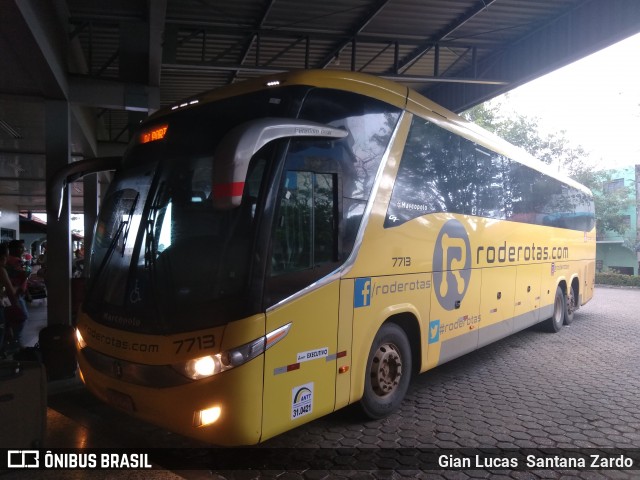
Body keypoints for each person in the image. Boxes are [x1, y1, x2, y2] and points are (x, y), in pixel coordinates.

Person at [5, 240, 29, 346]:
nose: (22, 249)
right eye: (20, 247)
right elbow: (16, 279)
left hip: (17, 293)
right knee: (22, 316)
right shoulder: (12, 261)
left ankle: (11, 340)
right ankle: (16, 340)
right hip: (14, 294)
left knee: (12, 318)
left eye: (22, 247)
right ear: (12, 249)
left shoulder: (17, 260)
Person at [0, 243, 22, 354]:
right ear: (3, 257)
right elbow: (10, 290)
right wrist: (18, 285)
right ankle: (13, 345)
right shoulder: (1, 270)